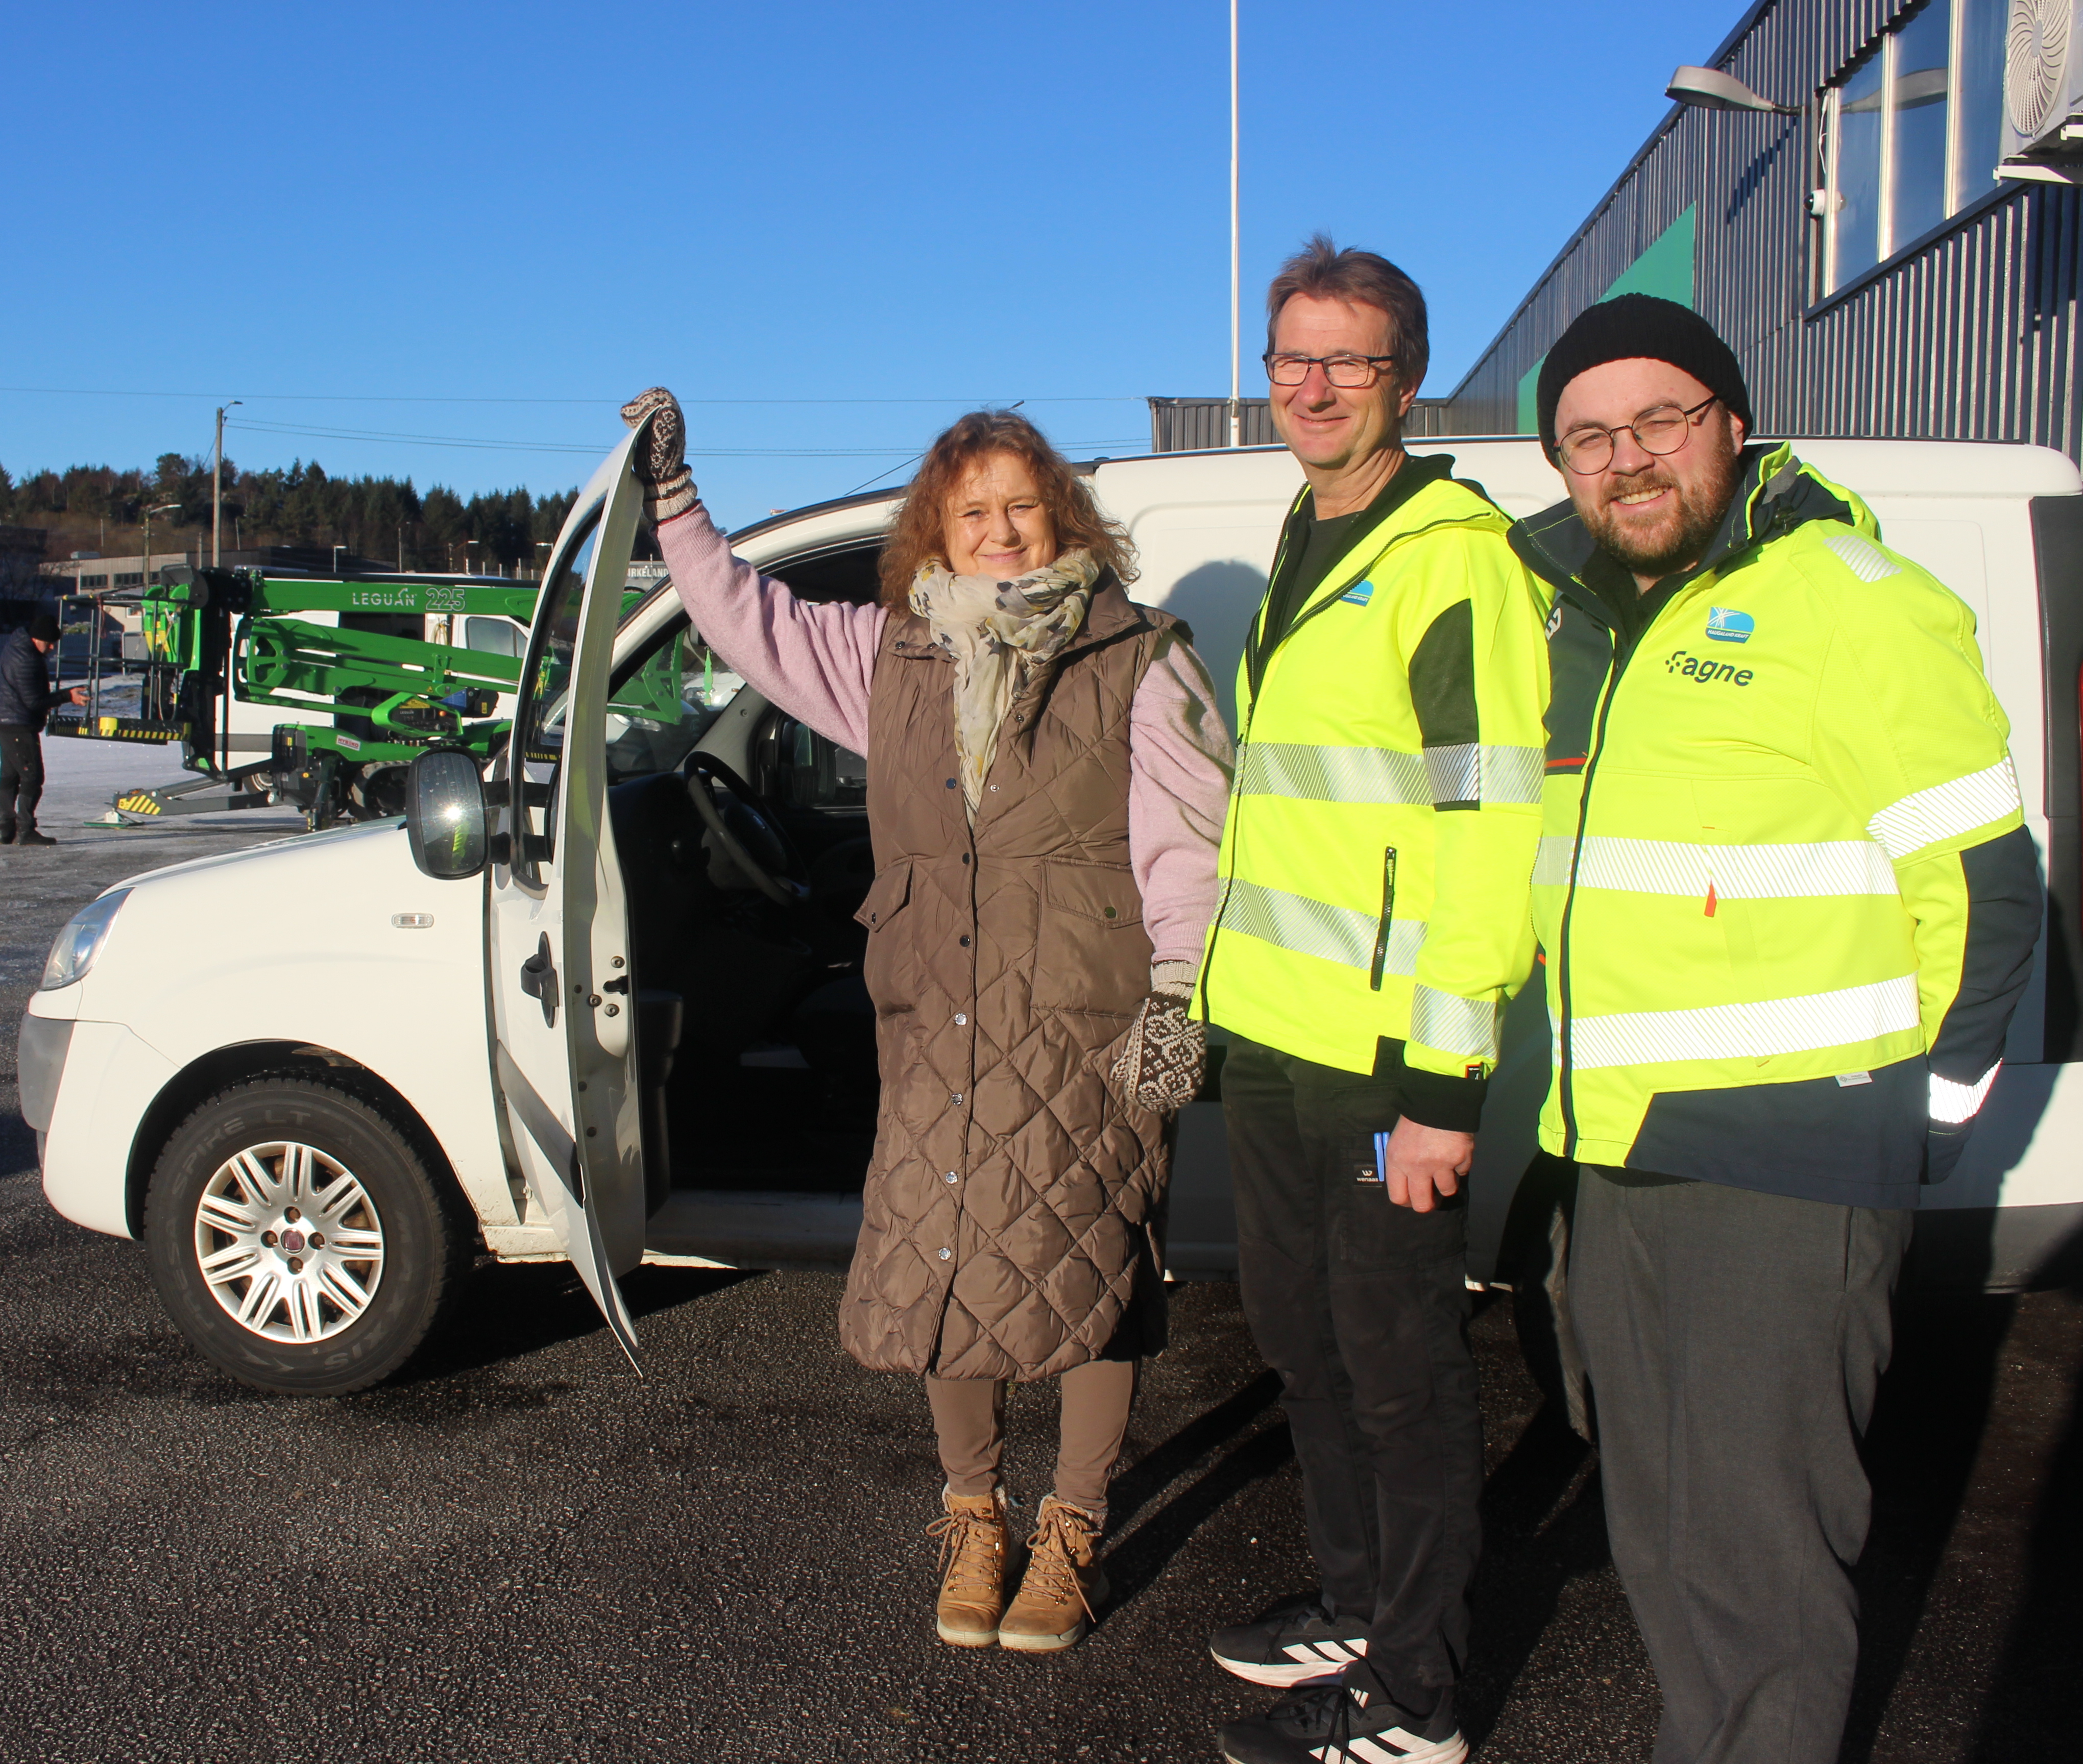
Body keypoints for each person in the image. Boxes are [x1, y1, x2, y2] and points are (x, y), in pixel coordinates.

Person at [1510, 295, 2038, 1763]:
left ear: (1731, 424)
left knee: (1759, 1551)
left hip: (1789, 1161)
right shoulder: (1603, 631)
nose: (1627, 460)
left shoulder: (1848, 598)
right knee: (1667, 1531)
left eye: (1659, 420)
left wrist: (1914, 1119)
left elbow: (1990, 890)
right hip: (1623, 1151)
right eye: (1590, 436)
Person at [621, 389, 1232, 1653]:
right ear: (935, 533)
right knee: (945, 1262)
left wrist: (1179, 999)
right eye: (973, 511)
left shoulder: (1139, 651)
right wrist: (675, 507)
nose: (1000, 532)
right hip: (935, 1023)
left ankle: (1071, 1527)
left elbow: (1193, 843)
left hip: (1080, 1022)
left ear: (1061, 519)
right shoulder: (888, 656)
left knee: (1090, 1274)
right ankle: (972, 1514)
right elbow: (746, 620)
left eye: (1022, 507)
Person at [1198, 237, 1551, 1764]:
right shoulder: (1307, 528)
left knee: (1401, 1374)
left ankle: (1416, 1699)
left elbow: (1486, 836)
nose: (1315, 385)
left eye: (1347, 360)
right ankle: (1353, 1603)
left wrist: (1441, 1088)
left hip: (1384, 1055)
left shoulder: (1452, 554)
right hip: (1280, 1035)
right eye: (1293, 357)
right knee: (1303, 1340)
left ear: (1406, 378)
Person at [0, 606, 86, 847]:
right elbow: (34, 702)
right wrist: (68, 697)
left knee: (10, 777)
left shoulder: (18, 647)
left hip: (6, 722)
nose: (52, 648)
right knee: (32, 777)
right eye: (49, 643)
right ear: (36, 639)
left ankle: (6, 829)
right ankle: (25, 830)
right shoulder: (27, 661)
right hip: (18, 725)